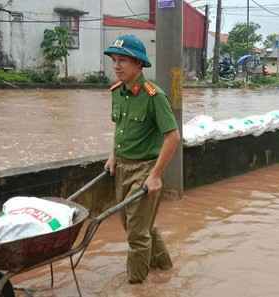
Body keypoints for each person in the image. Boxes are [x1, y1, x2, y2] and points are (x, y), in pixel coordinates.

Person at [103, 34, 180, 283]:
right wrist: (113, 156)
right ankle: (165, 267)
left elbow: (173, 137)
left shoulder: (153, 96)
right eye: (114, 59)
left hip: (145, 170)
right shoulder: (117, 92)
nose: (116, 66)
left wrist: (155, 175)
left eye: (123, 60)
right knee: (136, 226)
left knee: (136, 234)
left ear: (139, 63)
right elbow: (120, 127)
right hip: (123, 169)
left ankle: (136, 284)